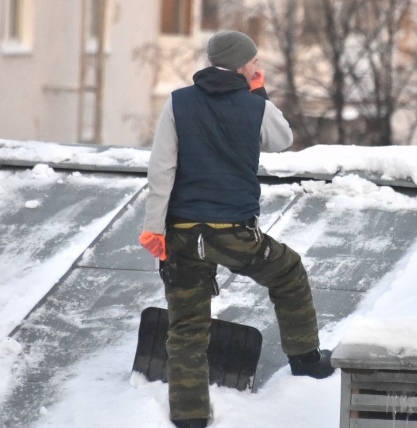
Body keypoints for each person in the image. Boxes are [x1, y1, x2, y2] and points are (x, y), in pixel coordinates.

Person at [138, 31, 334, 428]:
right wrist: (259, 93)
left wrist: (153, 227)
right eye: (254, 61)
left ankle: (189, 415)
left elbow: (161, 168)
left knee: (187, 327)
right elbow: (283, 140)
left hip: (181, 233)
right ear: (243, 64)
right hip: (234, 233)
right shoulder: (252, 105)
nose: (258, 66)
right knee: (288, 272)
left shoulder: (178, 103)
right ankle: (306, 360)